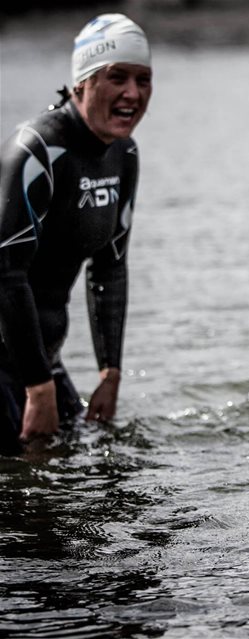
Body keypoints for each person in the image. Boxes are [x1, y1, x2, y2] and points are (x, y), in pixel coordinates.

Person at [0, 14, 152, 454]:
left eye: (143, 80)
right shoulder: (36, 151)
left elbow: (111, 265)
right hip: (14, 365)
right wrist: (38, 389)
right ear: (82, 82)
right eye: (117, 77)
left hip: (41, 361)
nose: (132, 93)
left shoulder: (123, 153)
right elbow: (7, 275)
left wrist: (111, 371)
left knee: (107, 461)